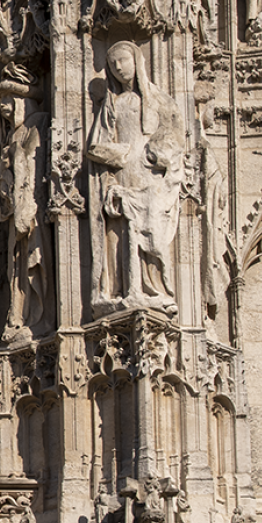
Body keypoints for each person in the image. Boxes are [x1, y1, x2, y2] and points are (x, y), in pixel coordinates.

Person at [88, 41, 184, 316]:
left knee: (151, 232)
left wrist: (156, 154)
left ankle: (155, 289)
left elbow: (175, 133)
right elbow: (97, 143)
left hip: (149, 175)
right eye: (113, 63)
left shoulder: (156, 99)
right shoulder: (114, 103)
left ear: (136, 61)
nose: (119, 67)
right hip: (124, 173)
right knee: (121, 233)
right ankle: (126, 289)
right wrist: (119, 155)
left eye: (123, 60)